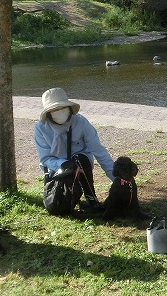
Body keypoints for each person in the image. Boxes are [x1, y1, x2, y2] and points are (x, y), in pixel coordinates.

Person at [34, 87, 115, 215]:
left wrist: (116, 179)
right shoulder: (40, 127)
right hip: (57, 167)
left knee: (80, 159)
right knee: (58, 206)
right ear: (48, 113)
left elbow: (99, 151)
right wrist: (64, 164)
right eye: (54, 110)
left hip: (82, 164)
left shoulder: (81, 122)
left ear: (69, 107)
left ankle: (91, 197)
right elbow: (45, 158)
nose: (59, 112)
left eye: (62, 107)